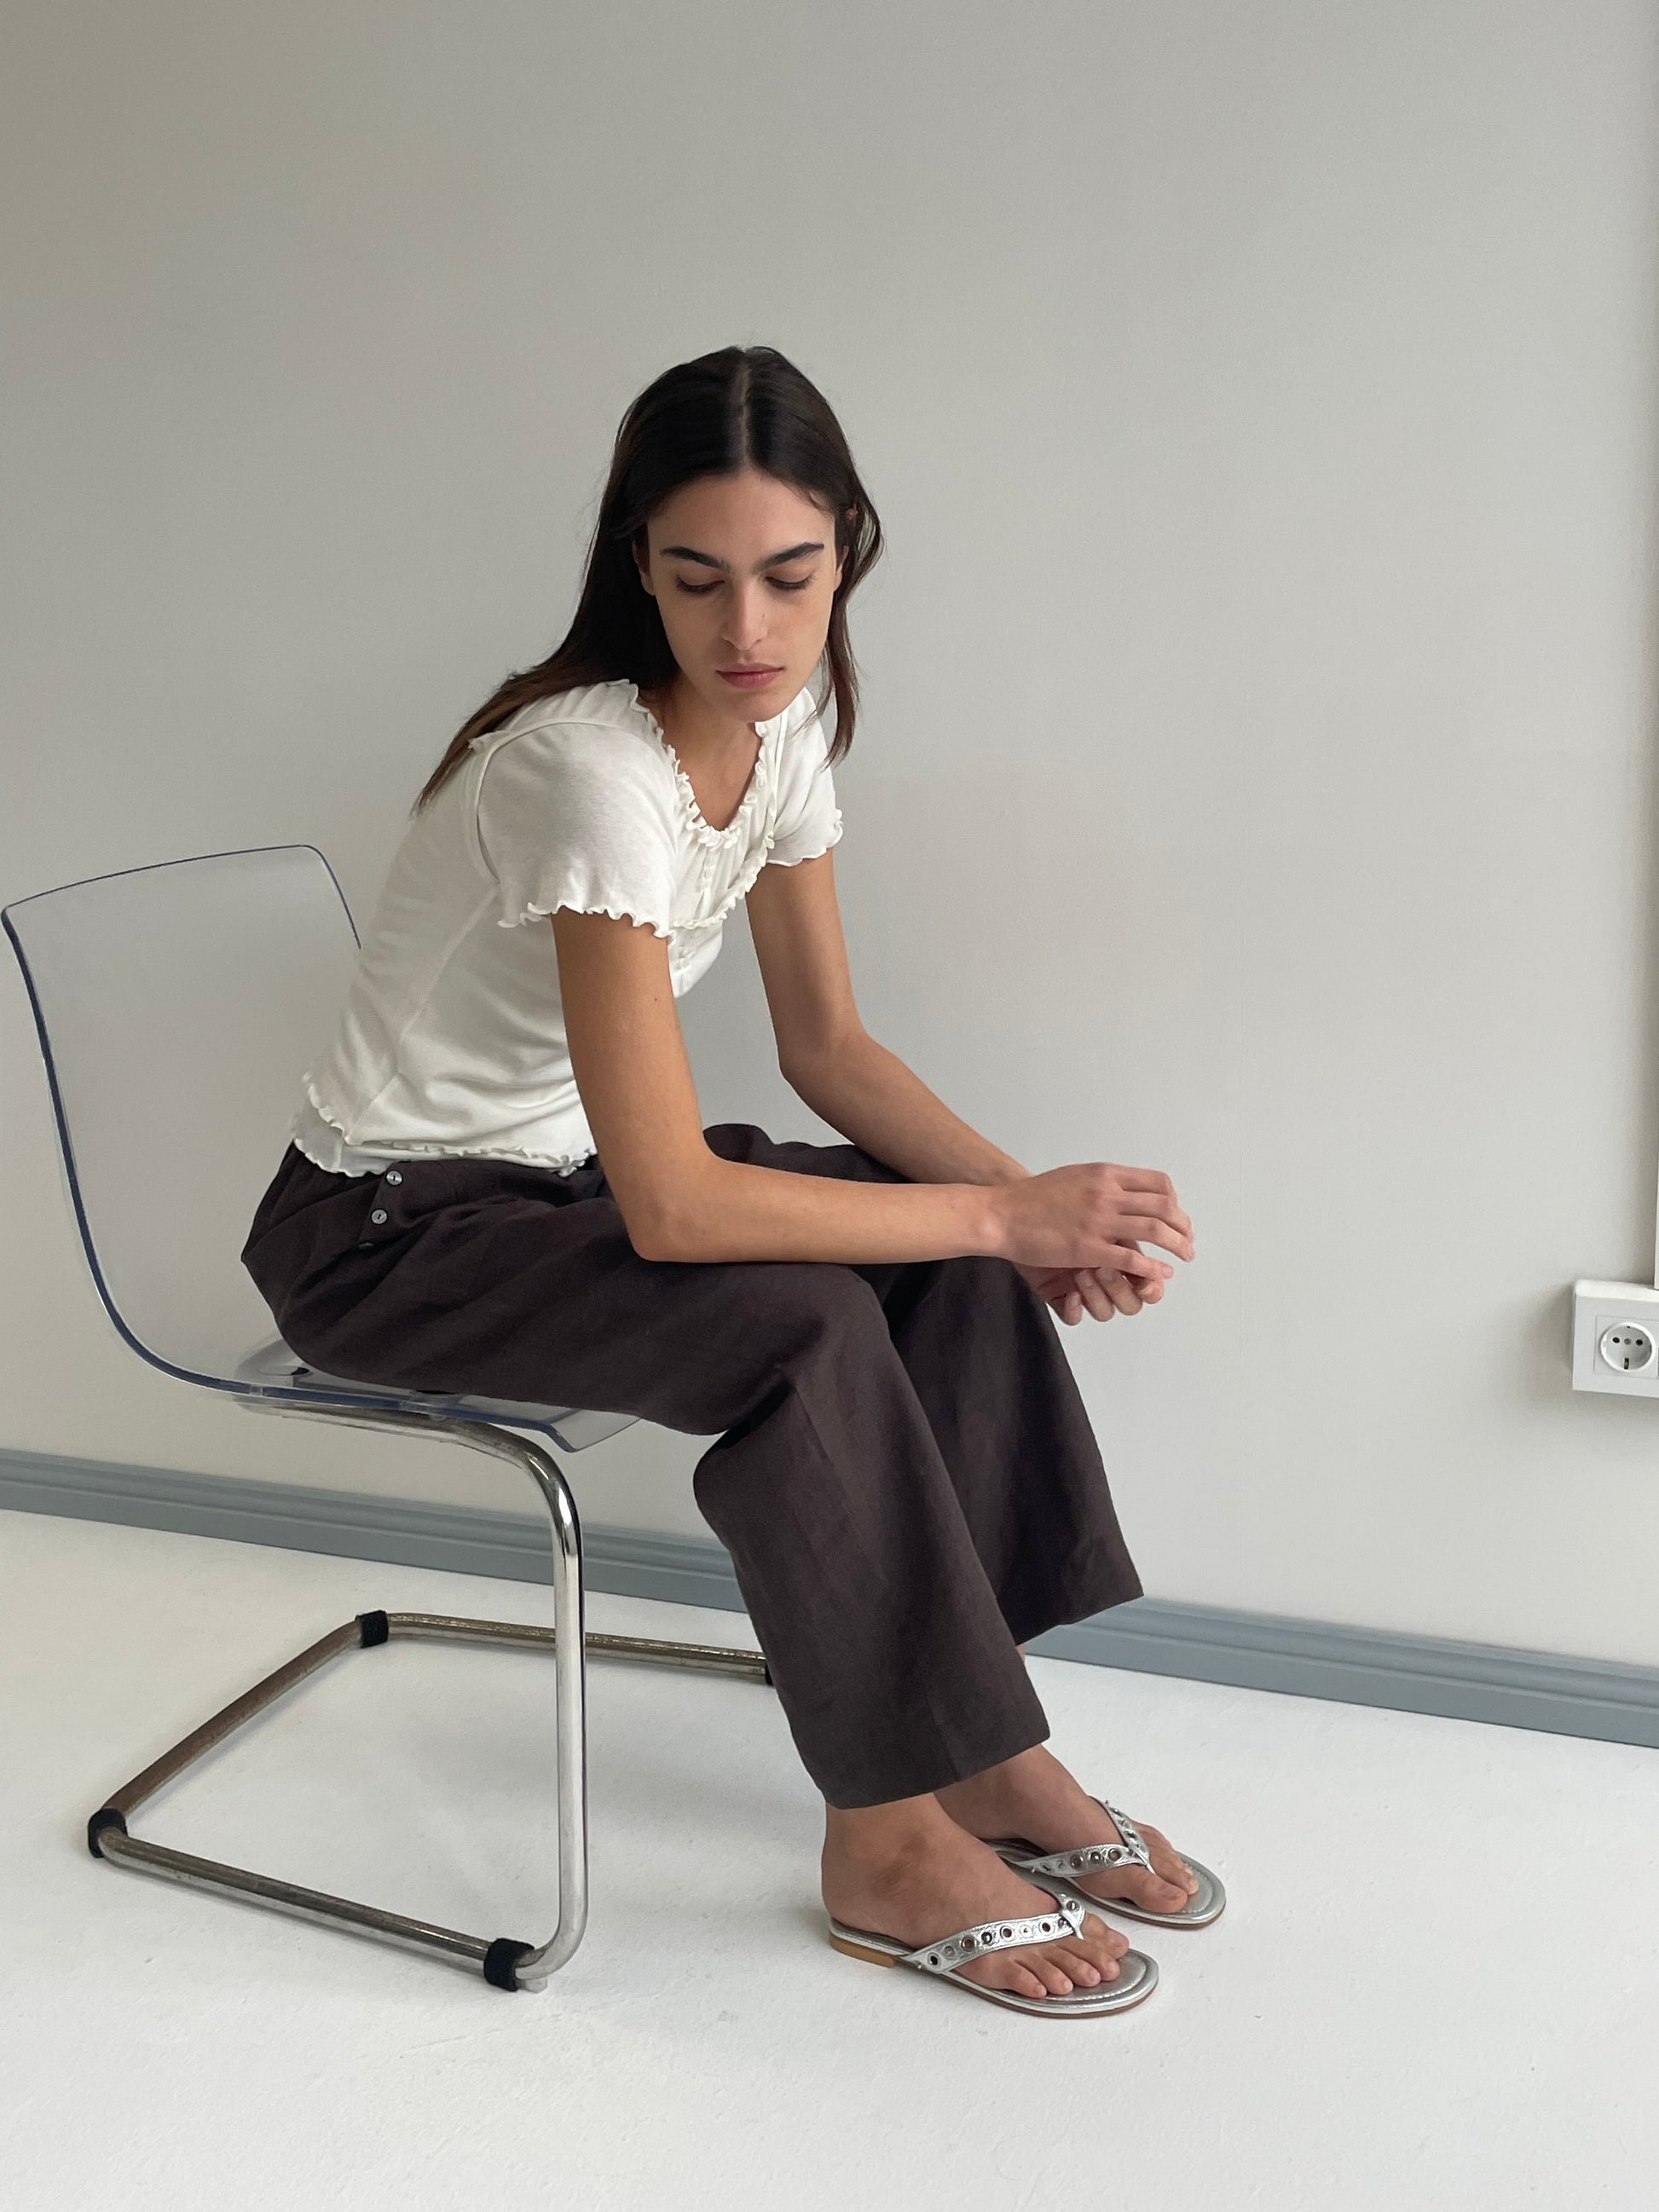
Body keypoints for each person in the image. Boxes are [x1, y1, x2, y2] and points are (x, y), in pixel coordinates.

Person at [242, 344, 1219, 2019]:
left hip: (557, 1187)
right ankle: (888, 1839)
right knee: (805, 1325)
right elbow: (682, 1208)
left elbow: (829, 1047)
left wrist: (1029, 1212)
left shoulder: (780, 730)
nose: (749, 632)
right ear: (636, 563)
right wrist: (1002, 1206)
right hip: (389, 1231)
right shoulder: (588, 766)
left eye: (790, 577)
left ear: (848, 548)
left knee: (946, 1264)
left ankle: (984, 1753)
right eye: (697, 582)